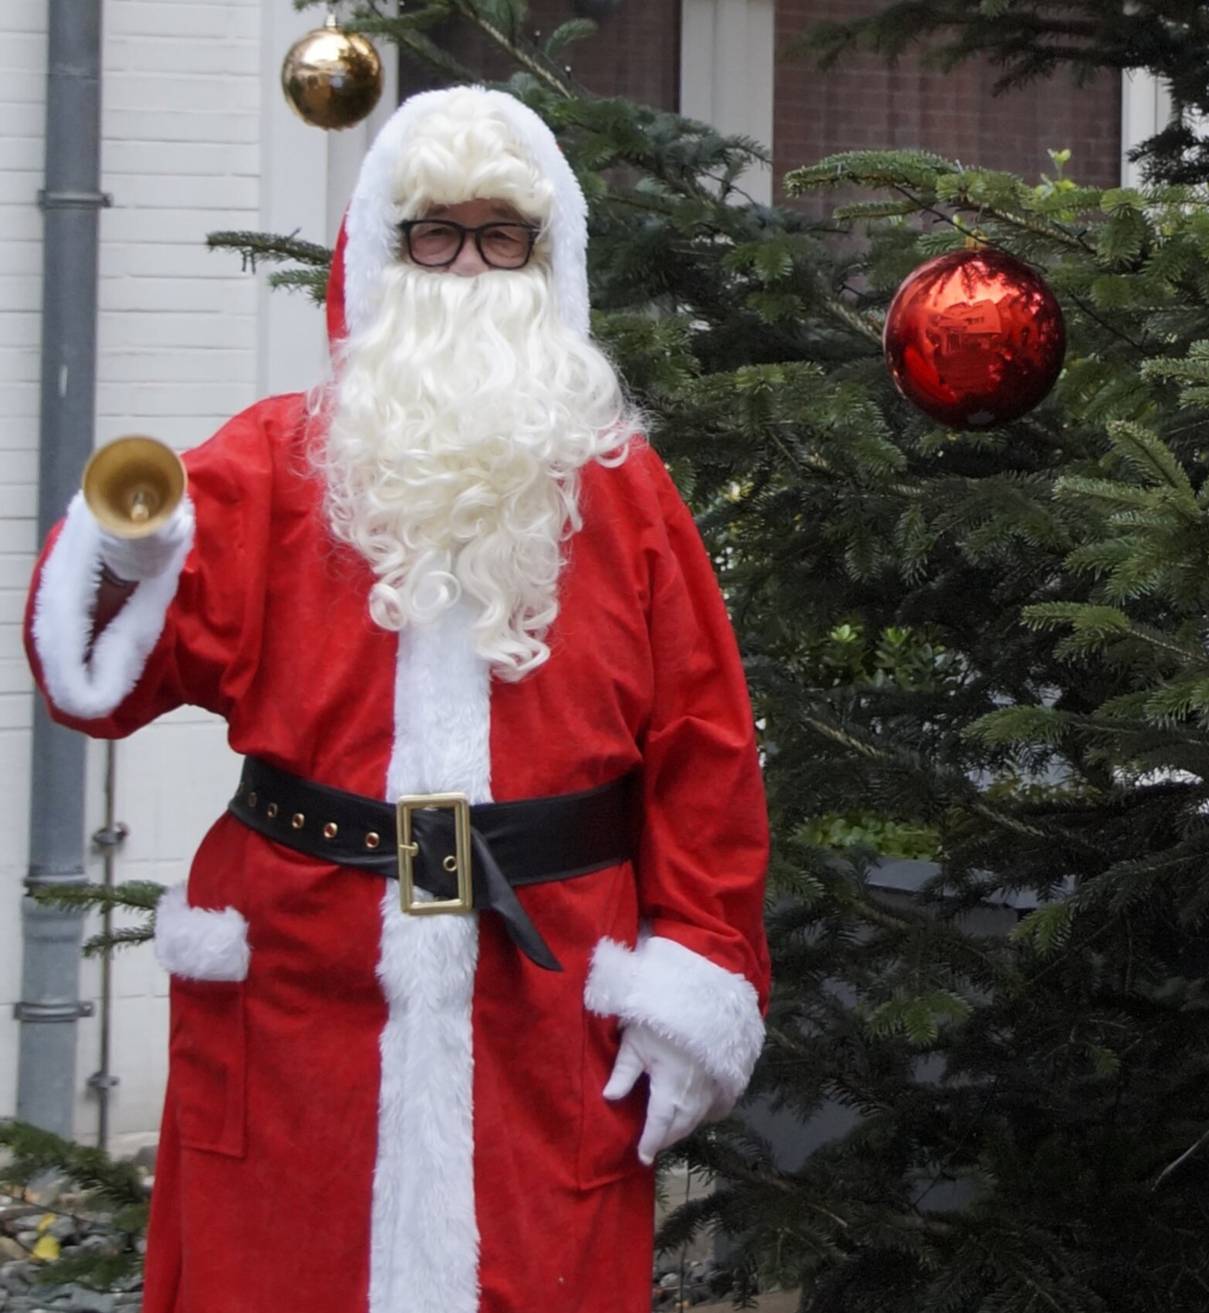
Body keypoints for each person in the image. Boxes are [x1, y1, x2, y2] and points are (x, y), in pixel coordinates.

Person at [24, 86, 769, 1313]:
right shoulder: (271, 464)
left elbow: (706, 749)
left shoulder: (623, 489)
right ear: (382, 254)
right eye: (436, 234)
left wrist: (697, 973)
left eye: (500, 235)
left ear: (546, 261)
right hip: (298, 995)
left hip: (542, 997)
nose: (467, 266)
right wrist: (127, 555)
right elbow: (97, 683)